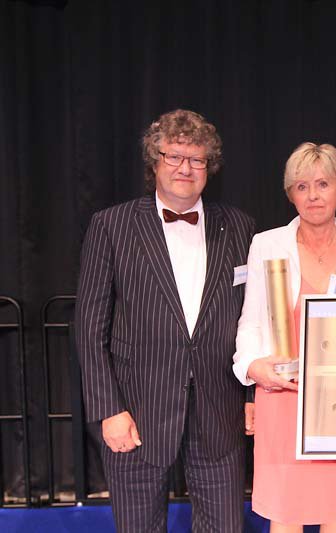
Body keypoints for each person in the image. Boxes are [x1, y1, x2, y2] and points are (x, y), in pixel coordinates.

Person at [75, 109, 255, 531]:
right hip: (136, 411)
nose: (184, 168)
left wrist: (252, 397)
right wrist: (109, 409)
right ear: (154, 162)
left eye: (196, 159)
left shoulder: (241, 227)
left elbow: (254, 317)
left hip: (220, 412)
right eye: (173, 156)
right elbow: (89, 328)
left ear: (209, 167)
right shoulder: (111, 225)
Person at [233, 142, 336, 533]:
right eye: (302, 186)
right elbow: (250, 321)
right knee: (286, 512)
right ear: (290, 195)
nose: (313, 195)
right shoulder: (266, 245)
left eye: (322, 184)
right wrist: (252, 367)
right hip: (281, 395)